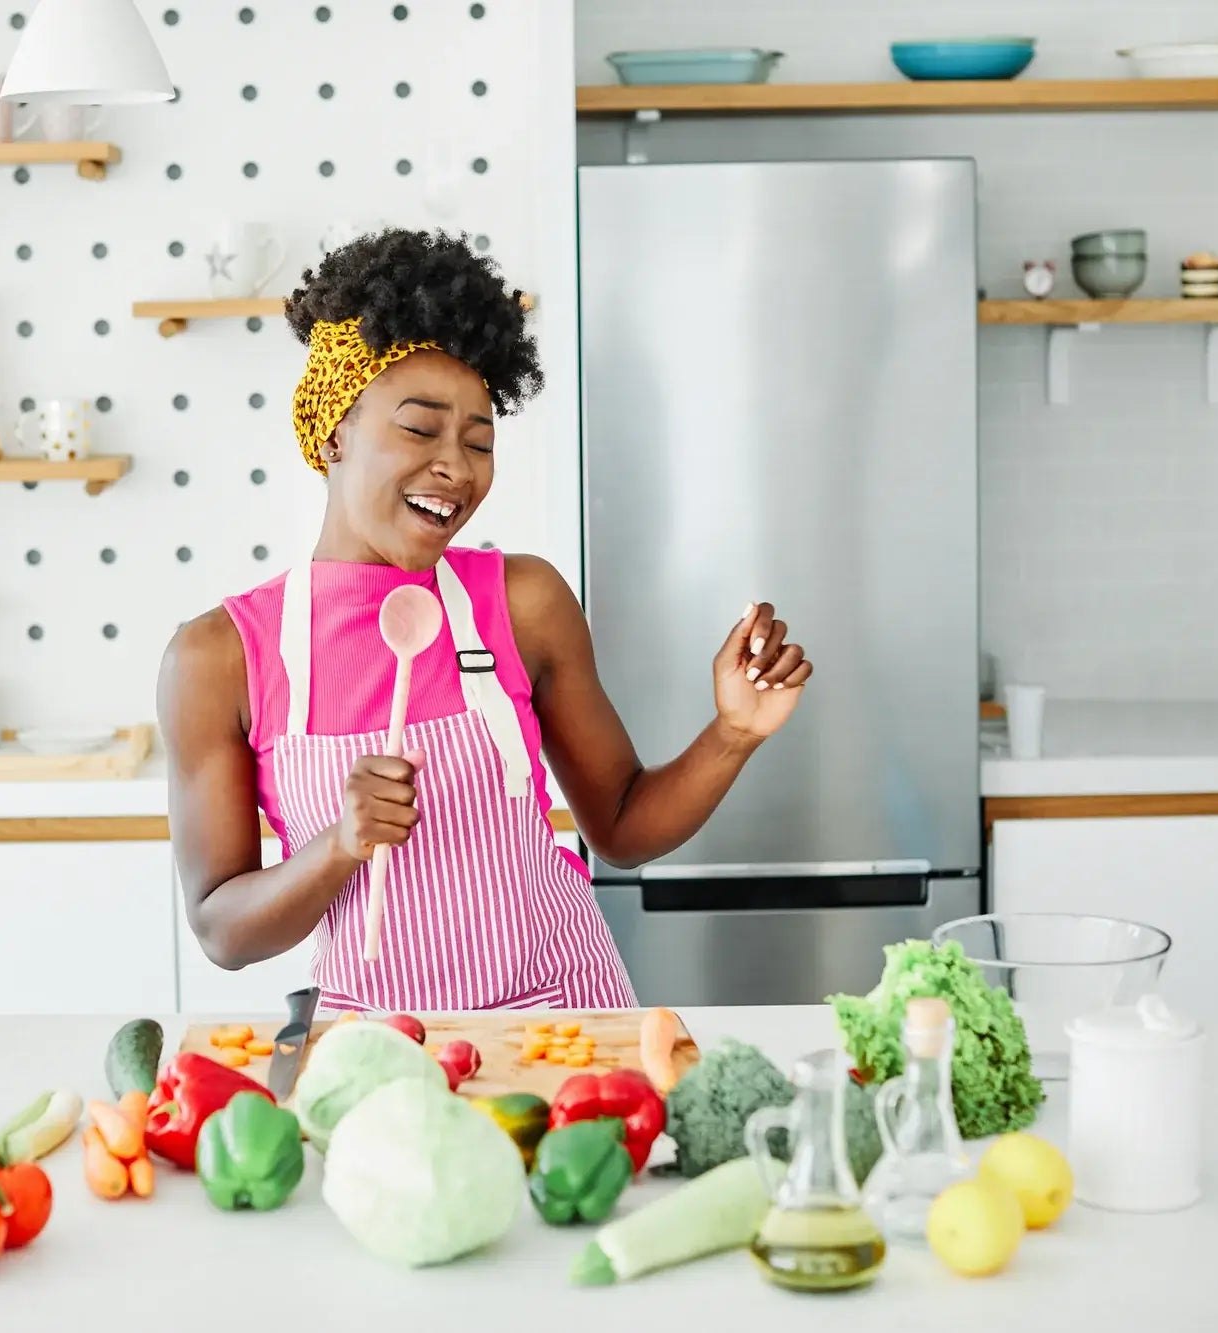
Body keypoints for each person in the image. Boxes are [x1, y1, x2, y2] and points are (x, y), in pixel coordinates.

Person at [157, 228, 812, 1012]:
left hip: (564, 1022)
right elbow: (222, 931)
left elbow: (624, 827)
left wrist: (733, 732)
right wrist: (340, 845)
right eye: (419, 427)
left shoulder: (524, 602)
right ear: (334, 430)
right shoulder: (220, 657)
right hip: (377, 1043)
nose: (457, 468)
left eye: (479, 441)